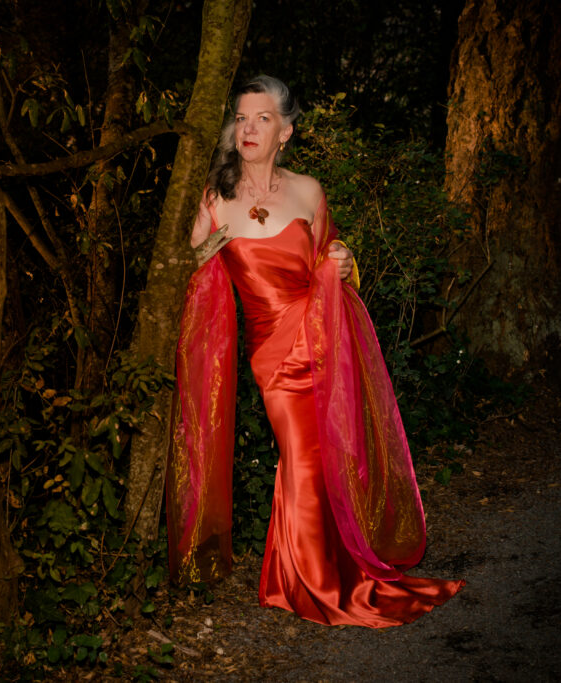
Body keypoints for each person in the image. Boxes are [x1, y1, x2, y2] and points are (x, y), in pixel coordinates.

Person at [165, 75, 464, 627]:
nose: (248, 128)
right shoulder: (216, 197)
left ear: (286, 132)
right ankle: (314, 584)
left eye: (262, 119)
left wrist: (345, 262)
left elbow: (335, 257)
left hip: (326, 339)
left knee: (332, 455)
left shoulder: (308, 189)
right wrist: (210, 239)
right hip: (273, 355)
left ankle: (316, 567)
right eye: (241, 118)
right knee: (302, 457)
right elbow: (187, 274)